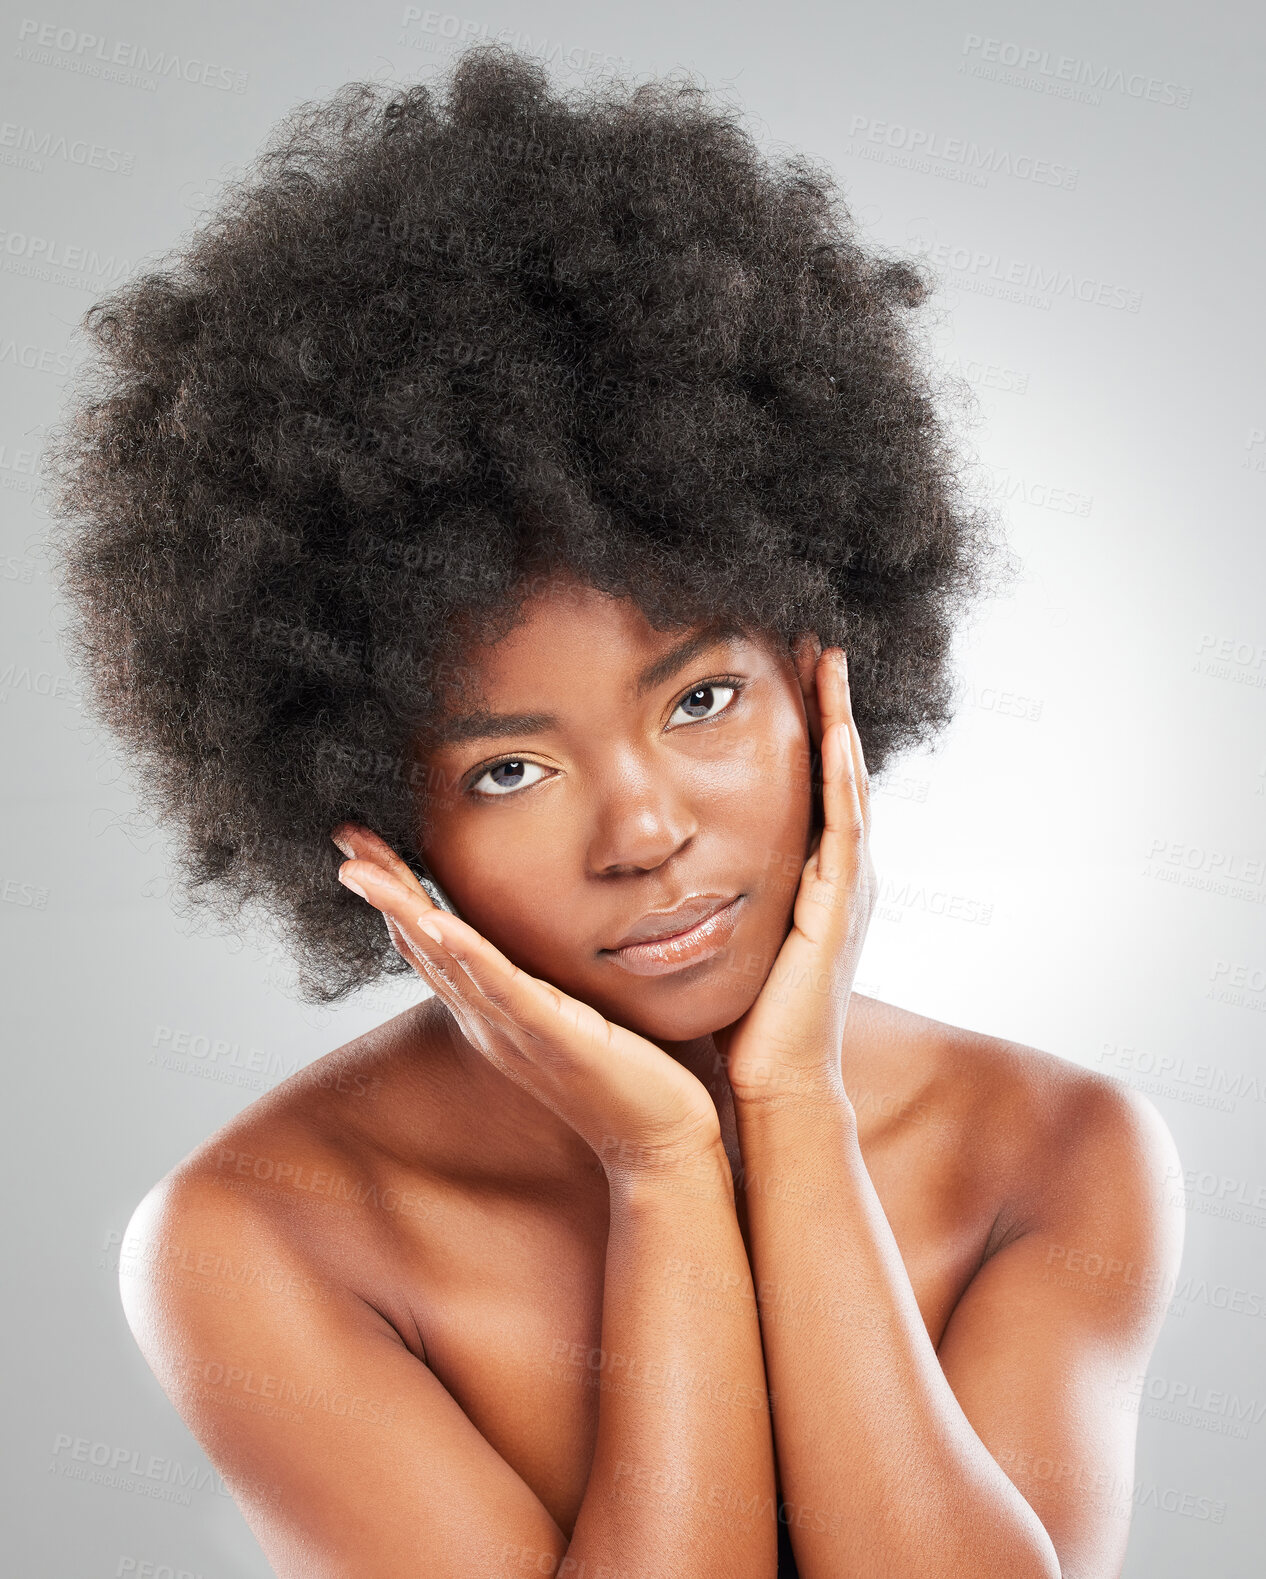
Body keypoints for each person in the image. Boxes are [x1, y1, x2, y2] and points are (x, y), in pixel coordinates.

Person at [46, 42, 1183, 1579]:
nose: (643, 832)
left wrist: (787, 1115)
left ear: (819, 670)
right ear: (373, 821)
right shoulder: (263, 1239)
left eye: (700, 700)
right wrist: (660, 1171)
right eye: (508, 769)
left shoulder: (1053, 1150)